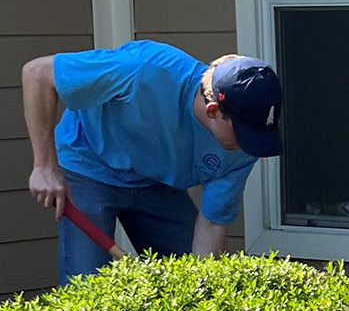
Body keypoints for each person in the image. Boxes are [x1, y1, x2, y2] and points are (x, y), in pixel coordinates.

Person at [19, 42, 283, 281]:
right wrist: (44, 166)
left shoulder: (245, 147)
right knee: (86, 289)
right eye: (243, 133)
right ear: (213, 111)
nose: (249, 144)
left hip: (154, 180)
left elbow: (212, 222)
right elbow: (37, 74)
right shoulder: (143, 70)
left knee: (193, 277)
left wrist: (204, 290)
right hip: (89, 164)